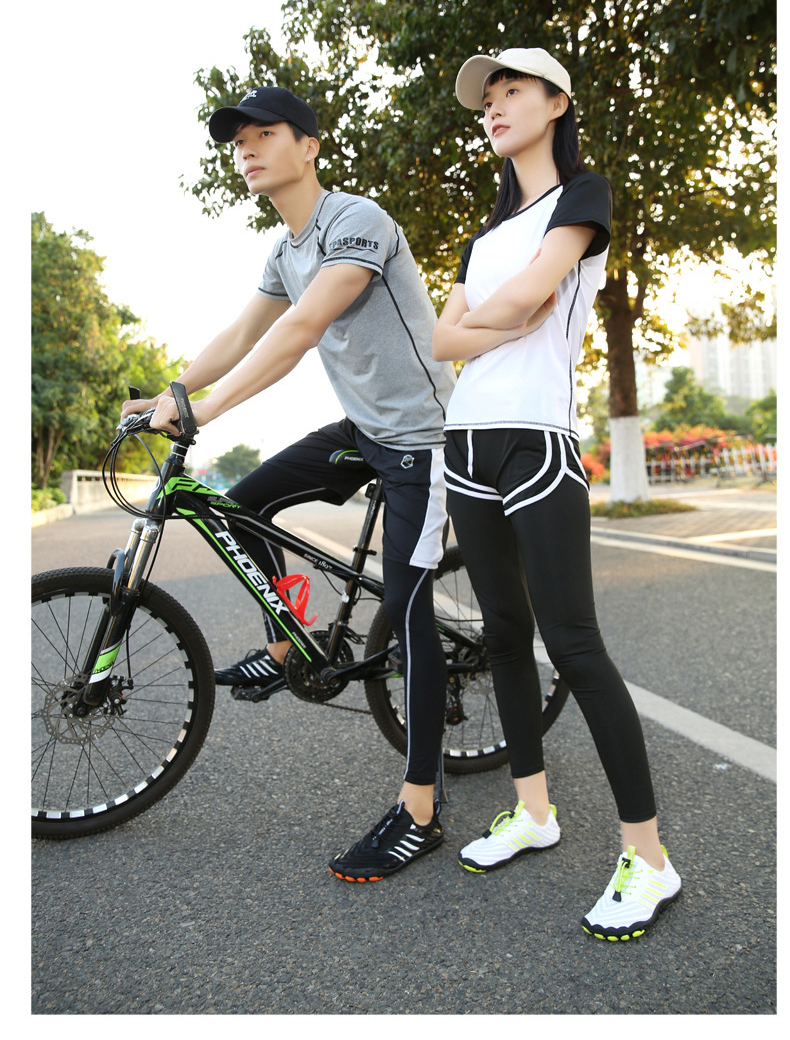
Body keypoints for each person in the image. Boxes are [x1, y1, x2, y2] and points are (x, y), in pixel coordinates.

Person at [122, 85, 456, 880]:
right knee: (238, 507)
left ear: (308, 146)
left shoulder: (356, 221)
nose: (247, 149)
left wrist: (203, 411)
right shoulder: (284, 250)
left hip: (424, 439)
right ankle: (285, 643)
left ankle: (421, 811)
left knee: (409, 613)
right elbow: (243, 332)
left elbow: (302, 328)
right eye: (238, 140)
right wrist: (172, 391)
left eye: (264, 134)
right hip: (364, 432)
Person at [432, 47, 681, 940]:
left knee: (574, 645)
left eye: (511, 92)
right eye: (486, 101)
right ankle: (533, 811)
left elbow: (531, 298)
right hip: (465, 442)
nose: (494, 108)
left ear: (556, 102)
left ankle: (649, 858)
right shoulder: (482, 238)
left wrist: (486, 319)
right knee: (502, 634)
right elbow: (443, 340)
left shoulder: (582, 198)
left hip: (536, 443)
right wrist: (496, 321)